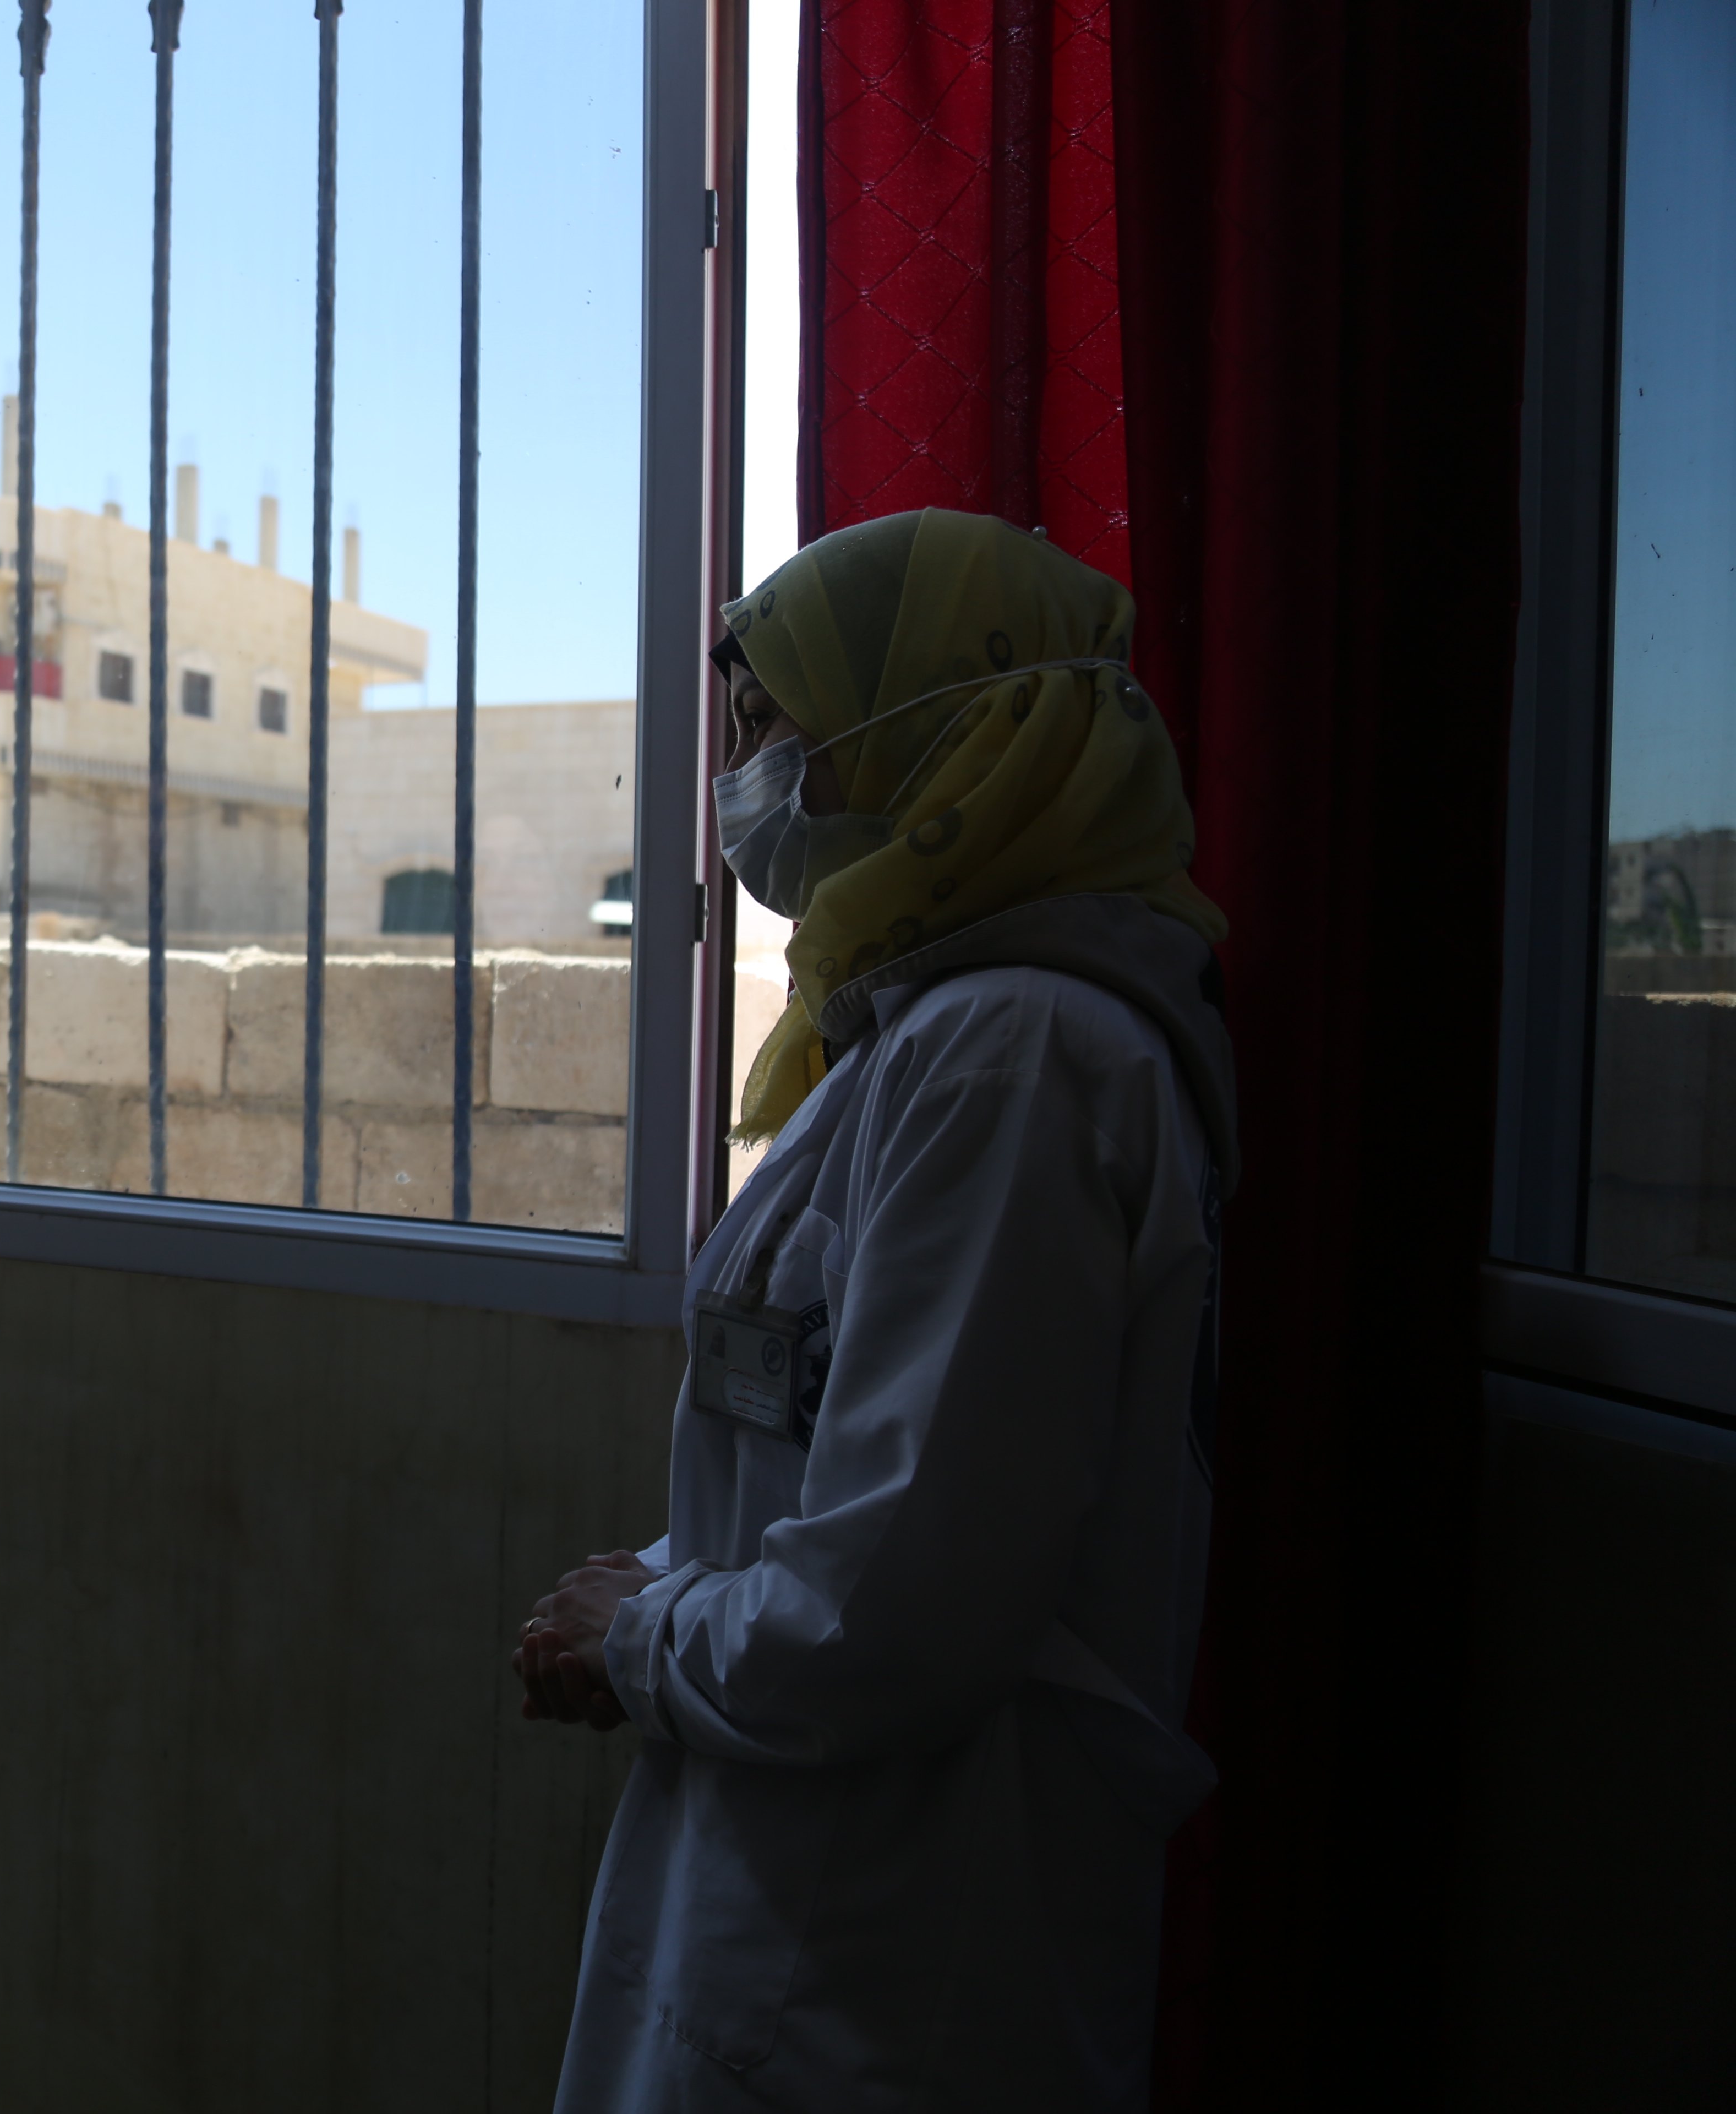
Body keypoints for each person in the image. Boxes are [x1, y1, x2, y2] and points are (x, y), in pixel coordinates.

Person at [515, 508, 1232, 2111]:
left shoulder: (1018, 1059)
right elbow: (863, 1467)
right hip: (806, 1893)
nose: (741, 776)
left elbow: (899, 1612)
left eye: (772, 726)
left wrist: (641, 1634)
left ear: (941, 728)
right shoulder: (930, 1033)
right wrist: (670, 1580)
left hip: (892, 1947)